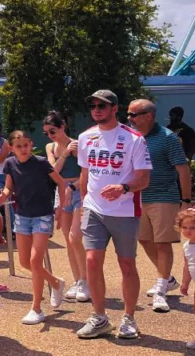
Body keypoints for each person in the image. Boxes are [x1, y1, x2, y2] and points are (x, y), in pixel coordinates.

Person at [75, 89, 152, 340]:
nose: (96, 109)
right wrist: (83, 202)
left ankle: (129, 318)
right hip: (94, 210)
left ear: (114, 108)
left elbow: (144, 179)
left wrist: (124, 188)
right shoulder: (86, 137)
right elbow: (84, 176)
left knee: (126, 264)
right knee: (91, 262)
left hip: (125, 211)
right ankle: (99, 318)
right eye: (93, 105)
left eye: (102, 105)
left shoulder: (134, 139)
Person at [128, 99, 192, 312]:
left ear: (148, 115)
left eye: (133, 114)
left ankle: (161, 289)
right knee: (145, 240)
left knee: (163, 243)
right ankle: (168, 279)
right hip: (139, 198)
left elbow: (182, 169)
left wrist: (186, 201)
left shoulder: (168, 138)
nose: (129, 119)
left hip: (164, 197)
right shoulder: (132, 137)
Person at [0, 130, 68, 325]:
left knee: (35, 261)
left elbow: (61, 184)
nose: (23, 149)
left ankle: (36, 307)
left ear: (31, 144)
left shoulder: (41, 163)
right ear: (11, 148)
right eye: (18, 146)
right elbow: (8, 187)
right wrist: (4, 194)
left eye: (26, 145)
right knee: (25, 263)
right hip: (22, 216)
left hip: (43, 215)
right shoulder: (10, 164)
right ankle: (55, 282)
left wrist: (60, 209)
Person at [43, 110, 89, 302]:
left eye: (53, 131)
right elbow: (53, 171)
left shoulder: (79, 144)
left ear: (62, 127)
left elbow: (87, 172)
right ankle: (78, 280)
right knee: (68, 239)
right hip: (61, 192)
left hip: (78, 190)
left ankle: (86, 281)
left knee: (75, 237)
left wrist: (73, 186)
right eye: (47, 132)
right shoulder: (50, 147)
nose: (50, 135)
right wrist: (65, 153)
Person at [174, 208, 195, 350]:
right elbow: (187, 266)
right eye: (184, 227)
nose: (188, 231)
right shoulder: (187, 246)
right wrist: (185, 283)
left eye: (193, 227)